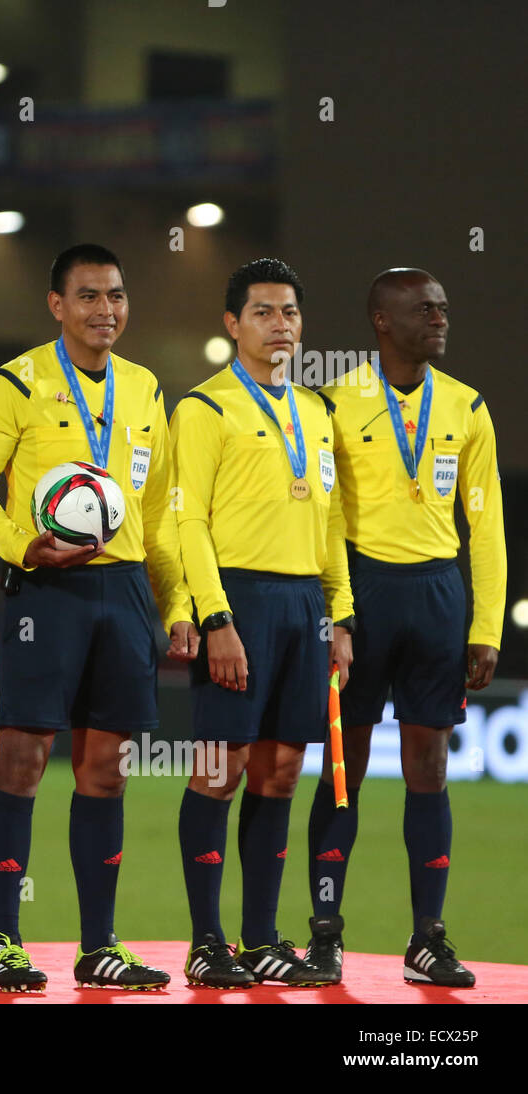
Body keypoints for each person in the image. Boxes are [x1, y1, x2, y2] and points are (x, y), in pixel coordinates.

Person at [0, 244, 197, 992]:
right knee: (23, 762)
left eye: (117, 296)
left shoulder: (145, 387)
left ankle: (100, 946)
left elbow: (159, 511)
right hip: (45, 590)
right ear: (56, 305)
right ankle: (5, 942)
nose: (106, 311)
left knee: (106, 772)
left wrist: (178, 604)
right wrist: (17, 549)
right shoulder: (16, 383)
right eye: (89, 297)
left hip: (123, 592)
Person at [303, 269, 504, 988]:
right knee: (342, 771)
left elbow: (486, 527)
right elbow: (324, 519)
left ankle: (427, 938)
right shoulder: (334, 403)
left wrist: (485, 624)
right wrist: (338, 610)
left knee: (430, 769)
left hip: (438, 597)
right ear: (383, 321)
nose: (441, 318)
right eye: (425, 309)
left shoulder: (467, 407)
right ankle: (325, 935)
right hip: (364, 593)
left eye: (445, 307)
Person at [170, 257, 353, 988]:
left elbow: (332, 518)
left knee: (279, 772)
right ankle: (207, 941)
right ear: (232, 325)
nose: (281, 326)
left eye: (290, 314)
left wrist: (339, 612)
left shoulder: (316, 413)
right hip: (238, 601)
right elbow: (188, 520)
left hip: (305, 604)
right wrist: (214, 618)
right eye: (264, 313)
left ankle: (259, 937)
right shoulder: (204, 409)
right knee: (220, 771)